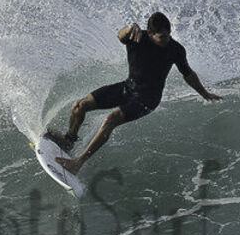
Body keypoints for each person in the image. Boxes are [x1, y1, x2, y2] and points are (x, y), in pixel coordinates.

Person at [46, 11, 221, 175]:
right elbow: (120, 35)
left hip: (148, 99)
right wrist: (130, 28)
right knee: (80, 105)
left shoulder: (175, 49)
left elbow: (188, 74)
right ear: (150, 33)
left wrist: (204, 93)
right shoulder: (137, 38)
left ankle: (78, 162)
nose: (166, 39)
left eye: (168, 34)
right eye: (162, 37)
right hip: (128, 88)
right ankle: (69, 140)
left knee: (110, 120)